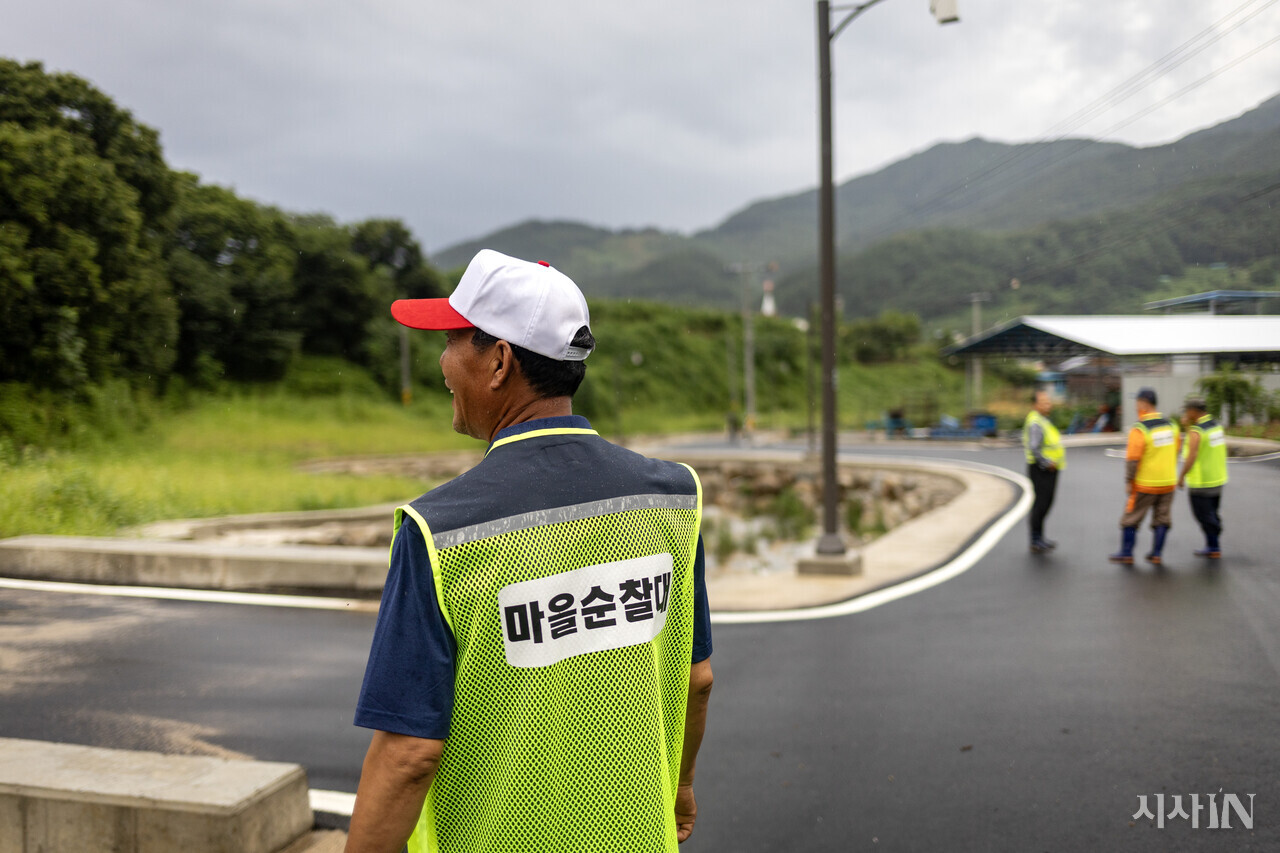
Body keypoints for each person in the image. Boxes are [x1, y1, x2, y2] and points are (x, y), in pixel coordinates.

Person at [346, 250, 714, 853]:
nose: (442, 364)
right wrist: (682, 787)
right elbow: (696, 680)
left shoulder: (436, 530)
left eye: (451, 341)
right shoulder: (674, 497)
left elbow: (410, 754)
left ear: (498, 362)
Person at [1109, 387, 1180, 566]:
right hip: (1168, 482)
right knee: (1162, 518)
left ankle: (1126, 553)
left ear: (1143, 403)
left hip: (1145, 484)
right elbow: (1177, 450)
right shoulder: (1172, 426)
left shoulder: (1140, 429)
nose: (1135, 407)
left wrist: (1128, 481)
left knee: (1131, 518)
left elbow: (1133, 459)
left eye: (1137, 403)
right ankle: (1156, 554)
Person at [1178, 395, 1228, 558]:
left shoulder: (1197, 431)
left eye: (1187, 410)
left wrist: (1181, 476)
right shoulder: (1216, 426)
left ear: (1193, 411)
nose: (1186, 413)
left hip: (1201, 481)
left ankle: (1214, 547)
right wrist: (1187, 427)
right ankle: (1212, 543)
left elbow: (1191, 455)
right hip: (1218, 477)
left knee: (1203, 515)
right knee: (1212, 512)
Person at [1022, 389, 1064, 553]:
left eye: (1049, 401)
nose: (1049, 404)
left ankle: (1040, 537)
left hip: (1049, 469)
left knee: (1046, 503)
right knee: (1041, 504)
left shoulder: (1043, 420)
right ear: (1035, 405)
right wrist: (1047, 463)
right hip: (1042, 469)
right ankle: (1035, 539)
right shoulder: (1035, 423)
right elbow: (1034, 448)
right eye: (1044, 402)